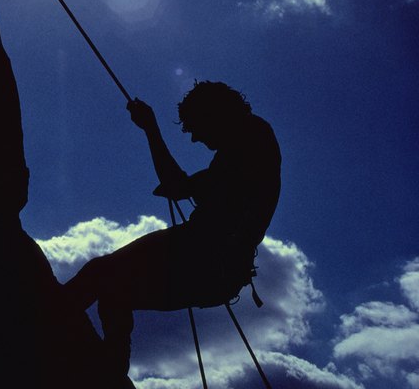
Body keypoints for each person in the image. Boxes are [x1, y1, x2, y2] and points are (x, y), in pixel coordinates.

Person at [65, 81, 281, 379]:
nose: (193, 138)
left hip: (203, 255)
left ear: (213, 115)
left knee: (100, 274)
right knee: (114, 291)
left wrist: (151, 129)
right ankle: (110, 374)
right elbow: (184, 186)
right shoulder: (250, 143)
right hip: (215, 267)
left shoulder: (251, 141)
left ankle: (42, 325)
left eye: (195, 127)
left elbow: (177, 185)